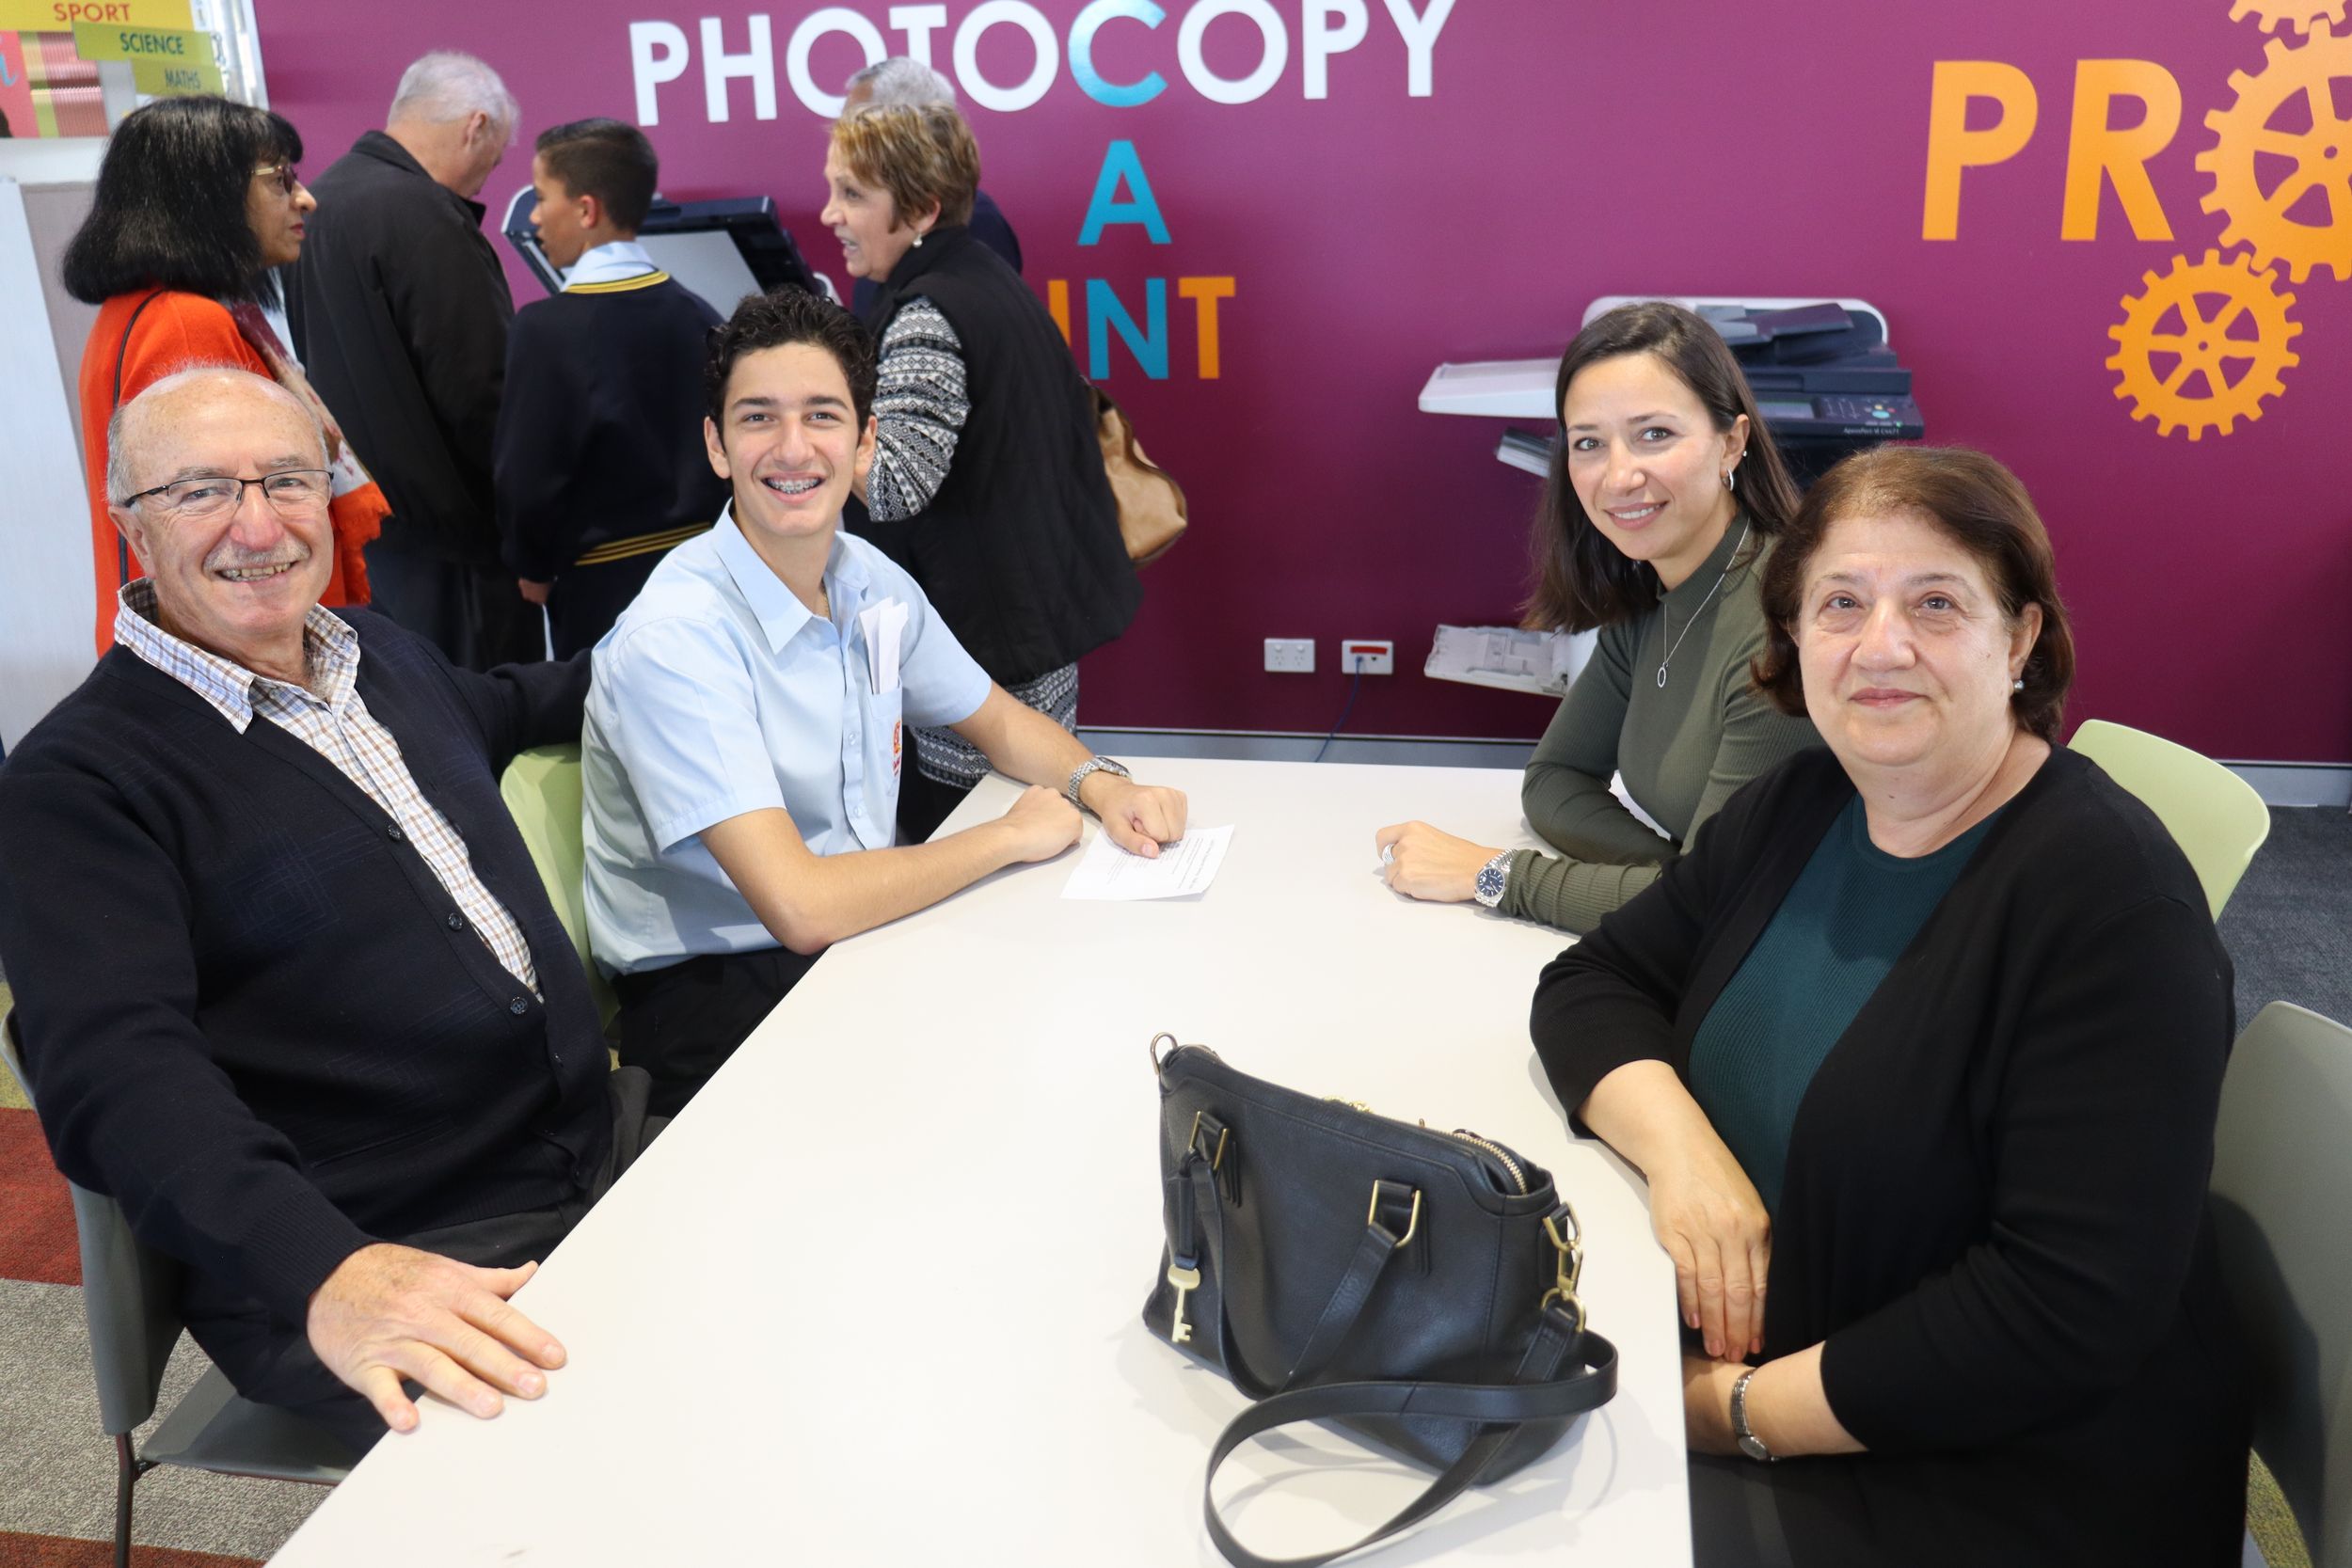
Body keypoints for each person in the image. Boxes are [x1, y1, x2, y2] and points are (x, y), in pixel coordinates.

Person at [1530, 445, 2249, 1564]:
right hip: (1790, 1357)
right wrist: (1687, 1158)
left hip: (1988, 1469)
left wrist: (1725, 1409)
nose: (1880, 645)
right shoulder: (1804, 801)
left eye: (1935, 603)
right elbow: (1593, 981)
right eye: (1840, 603)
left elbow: (2056, 1311)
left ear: (2019, 638)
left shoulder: (2111, 907)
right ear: (1793, 635)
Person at [0, 367, 651, 1457]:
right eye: (202, 490)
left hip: (586, 1155)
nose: (259, 525)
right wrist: (324, 1267)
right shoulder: (77, 783)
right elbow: (117, 1075)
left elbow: (518, 701)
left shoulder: (372, 651)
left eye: (289, 480)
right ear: (131, 527)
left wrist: (708, 622)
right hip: (392, 1248)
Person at [584, 287, 1184, 1117]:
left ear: (865, 441)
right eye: (758, 418)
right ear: (717, 445)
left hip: (853, 928)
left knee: (1071, 1021)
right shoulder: (678, 638)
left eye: (822, 416)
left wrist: (1104, 786)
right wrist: (1005, 837)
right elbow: (800, 904)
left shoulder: (865, 578)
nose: (793, 448)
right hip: (718, 992)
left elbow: (997, 719)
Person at [1376, 303, 1819, 931]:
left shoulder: (1785, 630)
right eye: (1588, 443)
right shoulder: (1653, 589)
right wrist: (1675, 879)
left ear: (1732, 442)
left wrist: (1493, 874)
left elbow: (1711, 913)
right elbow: (1554, 779)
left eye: (1654, 434)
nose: (1618, 476)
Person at [824, 103, 1140, 845]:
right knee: (1035, 831)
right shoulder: (987, 280)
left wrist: (815, 429)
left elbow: (894, 486)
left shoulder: (927, 316)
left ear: (922, 209)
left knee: (979, 851)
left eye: (853, 194)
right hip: (1025, 629)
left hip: (980, 656)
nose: (831, 213)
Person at [60, 94, 387, 660]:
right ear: (206, 194)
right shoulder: (188, 325)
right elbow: (230, 524)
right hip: (233, 646)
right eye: (280, 179)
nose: (305, 198)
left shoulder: (141, 309)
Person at [289, 51, 542, 672]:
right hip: (460, 560)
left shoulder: (315, 207)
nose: (485, 180)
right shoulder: (428, 217)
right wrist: (532, 529)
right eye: (495, 158)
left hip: (371, 546)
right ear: (475, 126)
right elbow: (484, 394)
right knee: (487, 722)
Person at [494, 117, 727, 658]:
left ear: (586, 210)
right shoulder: (700, 315)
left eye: (541, 196)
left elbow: (528, 473)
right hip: (709, 576)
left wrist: (532, 565)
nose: (534, 215)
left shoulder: (545, 330)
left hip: (600, 592)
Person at [838, 57, 1022, 318]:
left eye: (857, 128)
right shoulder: (879, 232)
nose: (840, 142)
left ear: (906, 133)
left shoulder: (975, 223)